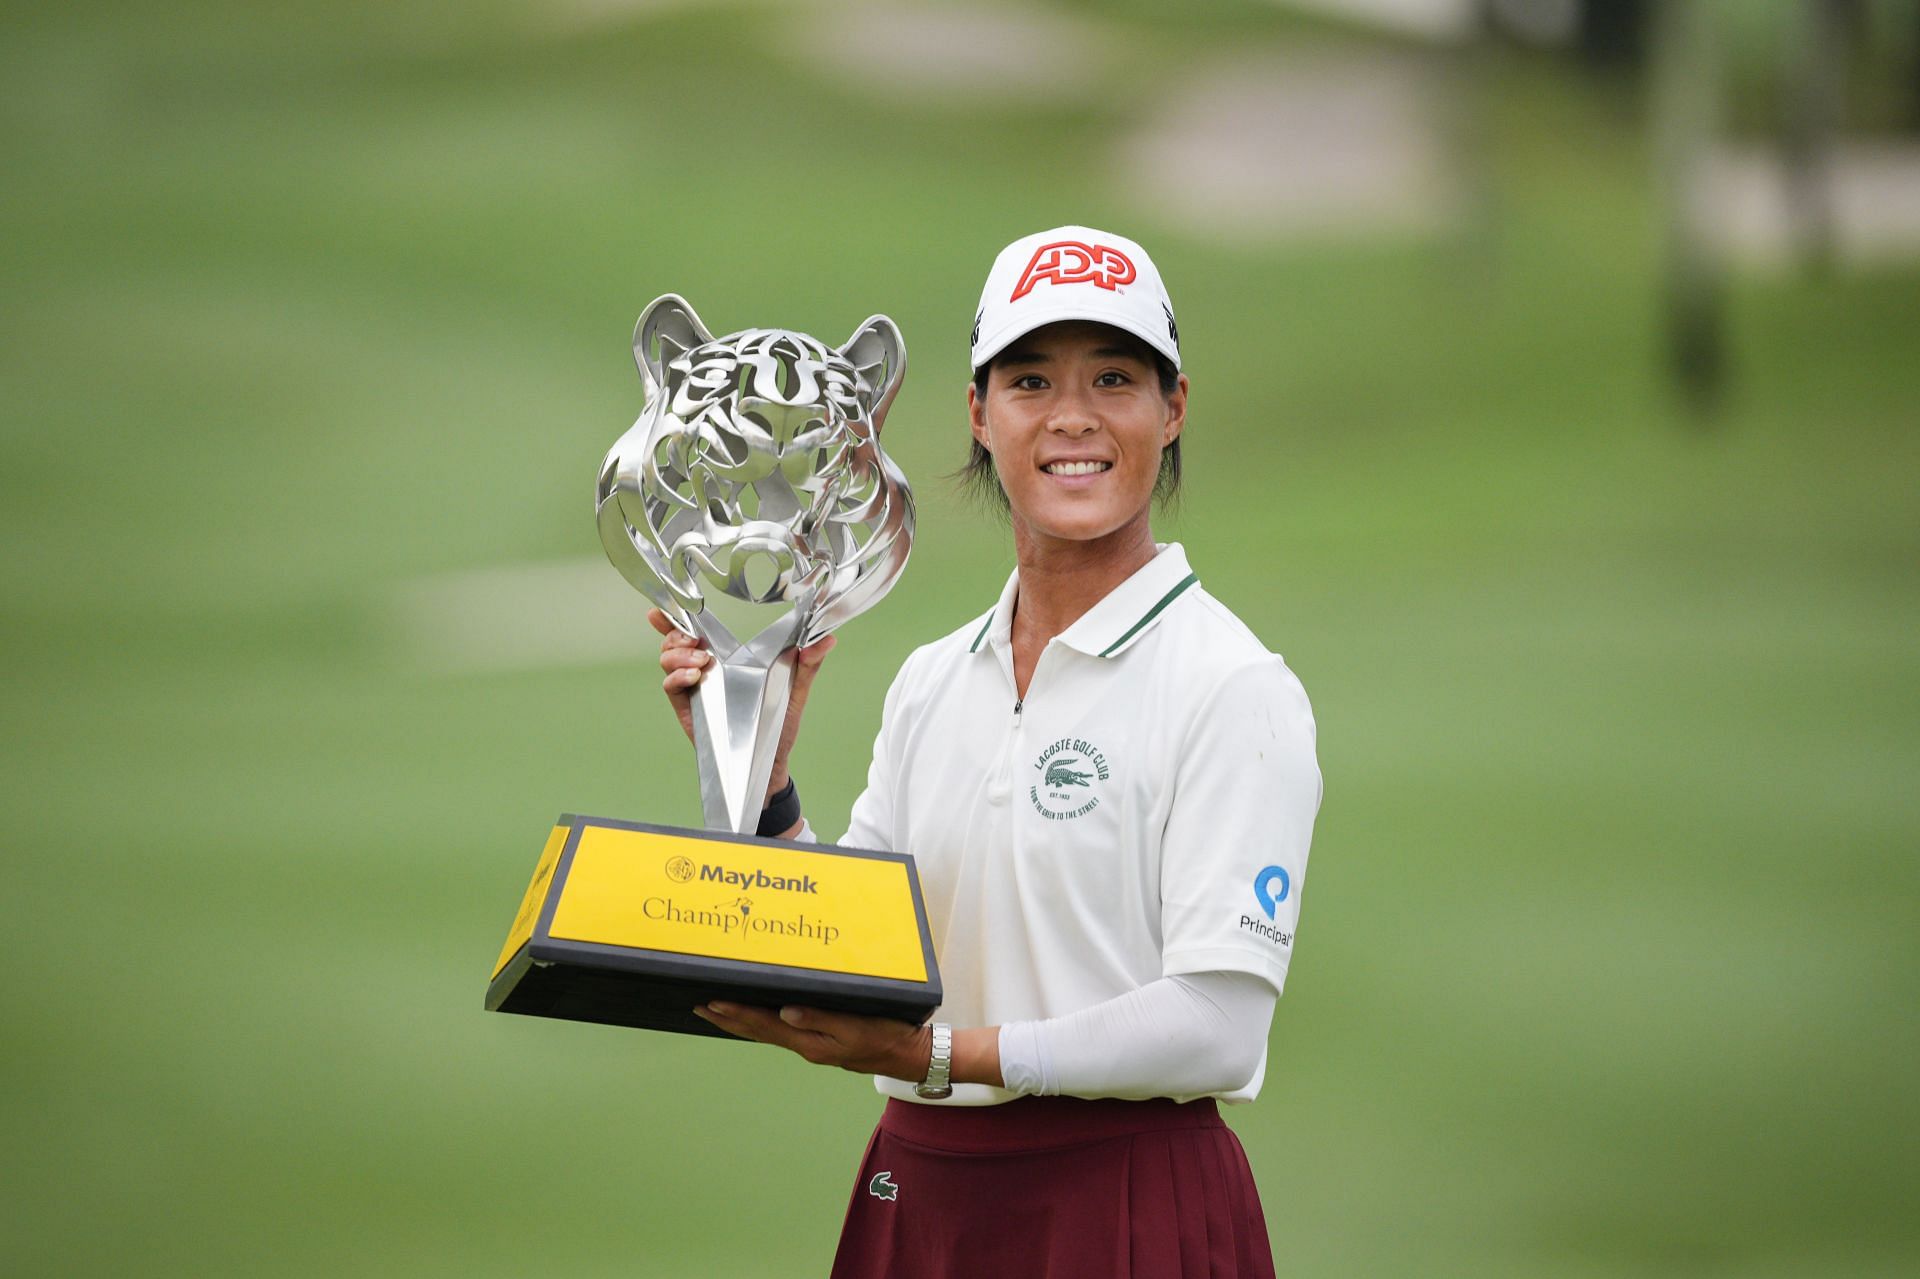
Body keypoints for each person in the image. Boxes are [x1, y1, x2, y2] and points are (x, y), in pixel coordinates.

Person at [649, 225, 1321, 1278]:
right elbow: (858, 950)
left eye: (1115, 377)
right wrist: (764, 778)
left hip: (1126, 1198)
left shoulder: (1233, 686)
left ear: (1172, 406)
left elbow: (1217, 1026)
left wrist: (940, 1055)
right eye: (1029, 379)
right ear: (977, 411)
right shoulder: (934, 678)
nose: (1072, 418)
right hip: (921, 1188)